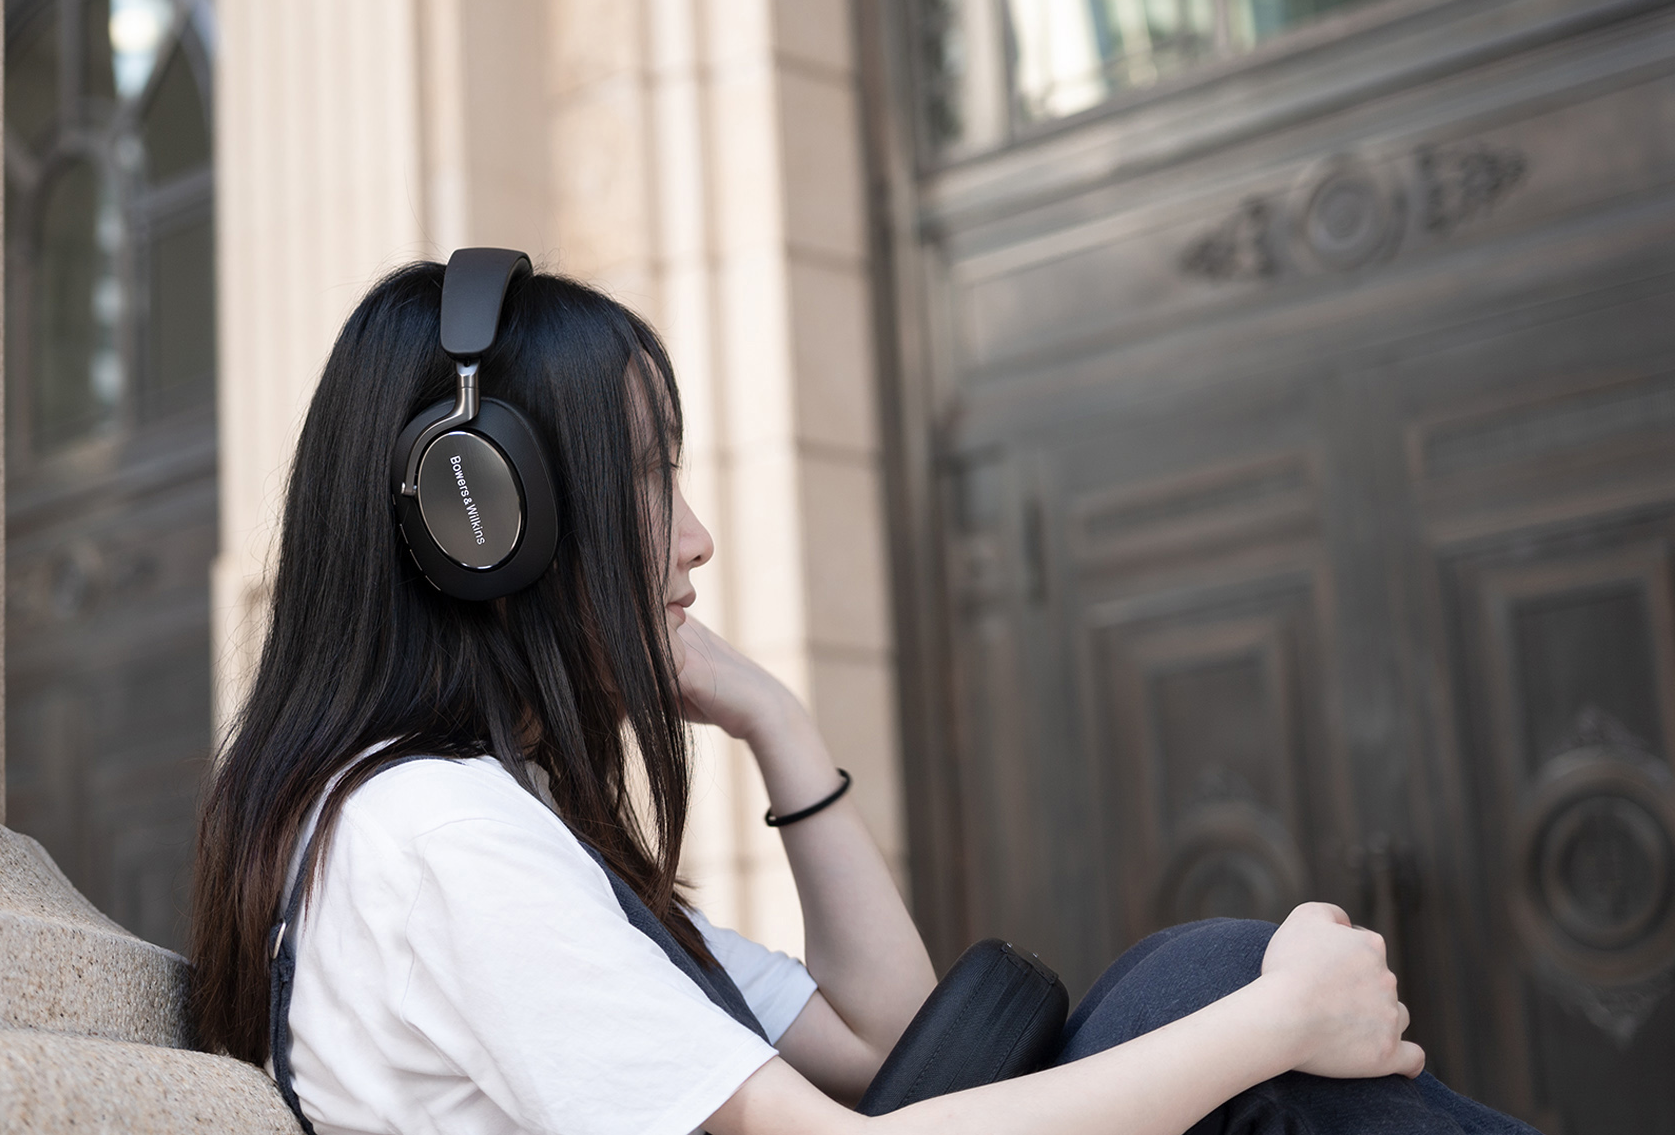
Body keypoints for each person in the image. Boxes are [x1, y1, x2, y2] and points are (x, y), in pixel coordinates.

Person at [189, 258, 1534, 1135]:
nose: (697, 538)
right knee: (1219, 1006)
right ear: (486, 521)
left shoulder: (479, 824)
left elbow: (892, 1039)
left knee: (1189, 988)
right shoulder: (437, 840)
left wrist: (778, 722)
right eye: (650, 479)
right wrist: (1280, 1020)